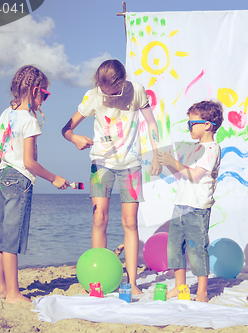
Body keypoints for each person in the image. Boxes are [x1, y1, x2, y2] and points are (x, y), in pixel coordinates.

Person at [61, 59, 161, 295]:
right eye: (106, 93)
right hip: (101, 163)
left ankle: (132, 282)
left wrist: (157, 154)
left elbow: (151, 122)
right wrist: (73, 138)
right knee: (99, 220)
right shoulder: (92, 96)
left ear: (123, 81)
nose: (111, 97)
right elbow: (66, 128)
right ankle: (97, 280)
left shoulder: (136, 90)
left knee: (130, 223)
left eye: (115, 92)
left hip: (132, 164)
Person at [0, 65, 70, 304]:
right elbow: (29, 162)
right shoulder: (30, 121)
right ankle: (13, 294)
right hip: (19, 180)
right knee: (11, 240)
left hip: (2, 177)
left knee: (0, 237)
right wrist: (54, 177)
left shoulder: (6, 114)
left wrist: (4, 172)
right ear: (35, 91)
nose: (44, 100)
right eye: (44, 95)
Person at [157, 100, 224, 302]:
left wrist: (172, 162)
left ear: (207, 125)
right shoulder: (194, 149)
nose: (189, 127)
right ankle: (180, 286)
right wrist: (168, 163)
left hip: (197, 207)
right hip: (181, 204)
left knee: (196, 249)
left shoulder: (212, 149)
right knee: (175, 247)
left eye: (192, 123)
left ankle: (202, 291)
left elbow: (195, 175)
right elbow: (182, 175)